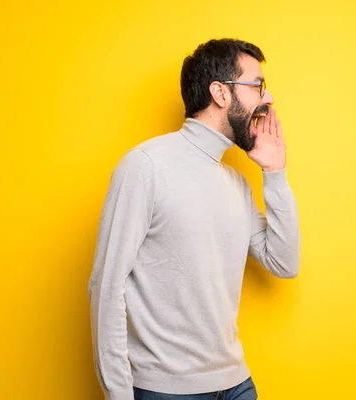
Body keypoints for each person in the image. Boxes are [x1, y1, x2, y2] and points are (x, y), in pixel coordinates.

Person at [88, 38, 301, 400]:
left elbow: (284, 263)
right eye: (257, 86)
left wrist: (275, 173)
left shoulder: (235, 182)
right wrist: (118, 396)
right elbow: (106, 287)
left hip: (236, 385)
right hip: (167, 391)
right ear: (220, 93)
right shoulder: (147, 165)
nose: (268, 99)